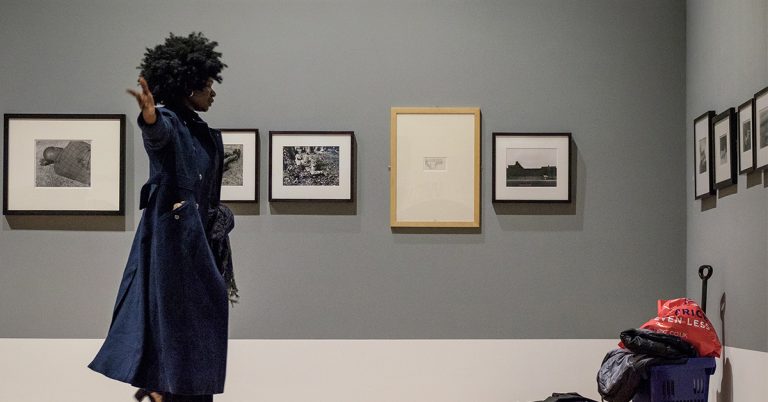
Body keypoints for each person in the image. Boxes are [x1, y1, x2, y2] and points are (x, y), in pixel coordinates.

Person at [88, 32, 237, 402]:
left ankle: (163, 390)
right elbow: (158, 136)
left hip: (199, 244)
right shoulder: (170, 121)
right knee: (176, 325)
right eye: (207, 86)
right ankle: (161, 390)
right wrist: (149, 118)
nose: (213, 93)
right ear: (188, 89)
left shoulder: (202, 131)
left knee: (200, 326)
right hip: (173, 247)